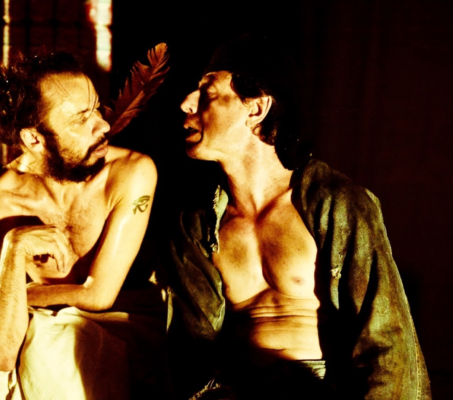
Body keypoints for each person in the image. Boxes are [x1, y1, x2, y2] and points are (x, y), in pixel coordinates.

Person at [165, 35, 431, 399]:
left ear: (256, 109)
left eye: (207, 93)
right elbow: (190, 351)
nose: (186, 103)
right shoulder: (198, 225)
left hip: (325, 387)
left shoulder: (337, 204)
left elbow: (386, 337)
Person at [0, 51, 166, 400]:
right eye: (81, 119)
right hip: (30, 325)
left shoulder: (130, 173)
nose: (103, 126)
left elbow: (98, 295)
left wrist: (15, 297)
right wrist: (14, 247)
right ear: (34, 139)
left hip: (119, 320)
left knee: (53, 348)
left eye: (96, 109)